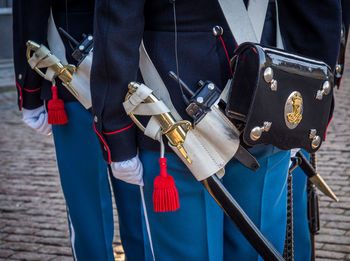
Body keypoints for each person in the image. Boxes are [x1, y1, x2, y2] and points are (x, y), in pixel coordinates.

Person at [91, 0, 342, 260]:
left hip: (176, 110)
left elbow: (117, 19)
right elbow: (318, 17)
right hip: (266, 96)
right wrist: (310, 110)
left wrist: (116, 131)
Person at [12, 1, 151, 260]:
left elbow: (30, 11)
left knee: (90, 210)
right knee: (136, 208)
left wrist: (30, 92)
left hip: (75, 70)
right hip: (131, 71)